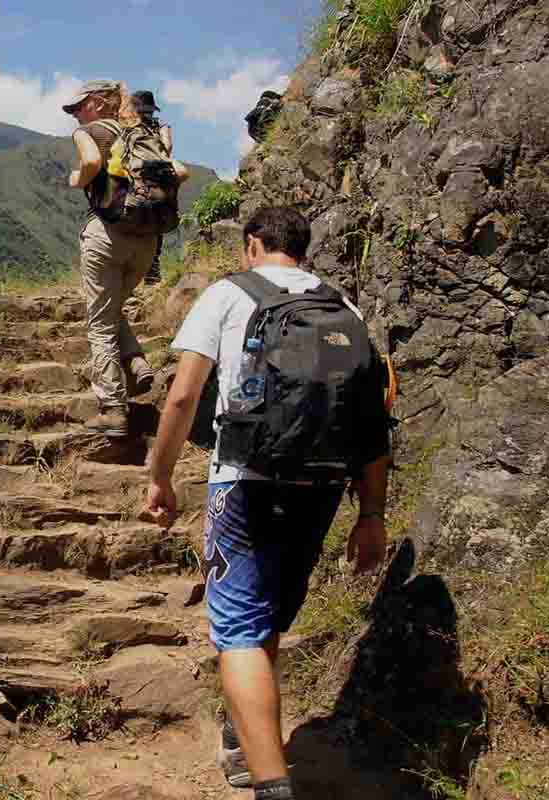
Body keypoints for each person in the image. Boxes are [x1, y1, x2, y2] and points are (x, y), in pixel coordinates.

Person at [142, 206, 391, 800]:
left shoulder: (229, 295)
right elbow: (373, 417)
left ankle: (270, 784)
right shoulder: (344, 309)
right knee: (268, 615)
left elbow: (182, 397)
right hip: (324, 485)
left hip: (247, 479)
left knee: (238, 631)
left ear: (253, 244)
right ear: (301, 248)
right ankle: (245, 735)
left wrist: (160, 475)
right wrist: (373, 513)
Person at [64, 80, 158, 437]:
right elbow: (180, 172)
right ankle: (135, 362)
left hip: (106, 234)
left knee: (101, 322)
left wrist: (79, 178)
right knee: (112, 308)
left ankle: (113, 409)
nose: (75, 115)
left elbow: (90, 162)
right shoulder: (144, 131)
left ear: (101, 104)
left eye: (79, 106)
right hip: (146, 241)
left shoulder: (89, 132)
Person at [130, 90, 174, 285]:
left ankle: (130, 273)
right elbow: (168, 147)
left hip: (135, 179)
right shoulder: (162, 126)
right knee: (157, 225)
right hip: (160, 179)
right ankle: (152, 271)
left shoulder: (129, 127)